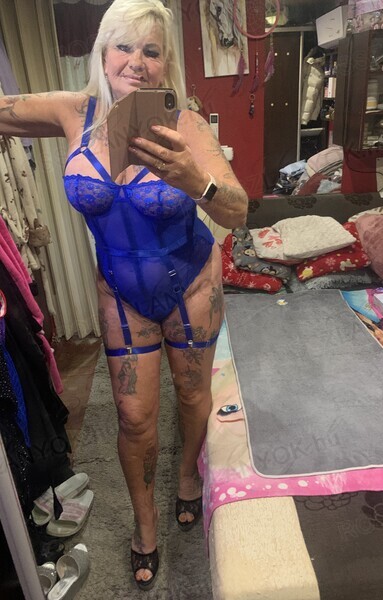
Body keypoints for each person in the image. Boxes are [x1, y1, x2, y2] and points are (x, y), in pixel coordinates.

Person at [0, 0, 248, 590]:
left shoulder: (187, 124)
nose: (137, 61)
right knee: (135, 418)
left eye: (151, 51)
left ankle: (187, 475)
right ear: (103, 52)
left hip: (191, 284)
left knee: (192, 395)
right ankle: (145, 520)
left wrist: (198, 182)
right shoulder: (74, 111)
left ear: (166, 64)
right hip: (121, 294)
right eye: (125, 46)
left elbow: (238, 209)